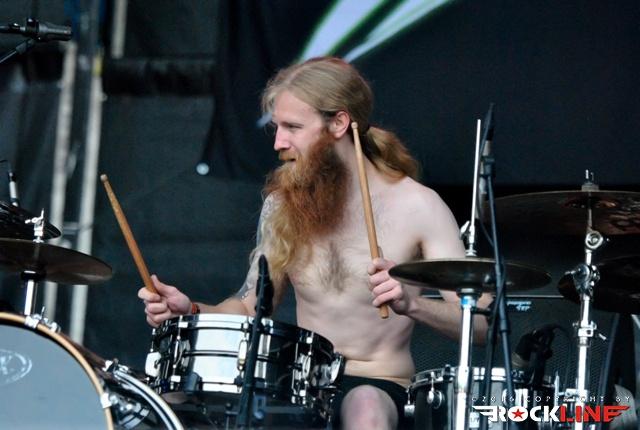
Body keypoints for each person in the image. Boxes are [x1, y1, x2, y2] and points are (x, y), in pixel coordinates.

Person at [139, 56, 492, 429]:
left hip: (381, 382)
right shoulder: (284, 204)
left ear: (338, 123)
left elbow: (482, 325)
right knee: (181, 403)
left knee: (366, 406)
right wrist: (193, 312)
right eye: (276, 127)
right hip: (303, 386)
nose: (279, 142)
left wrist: (413, 304)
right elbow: (250, 307)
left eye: (293, 127)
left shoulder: (418, 205)